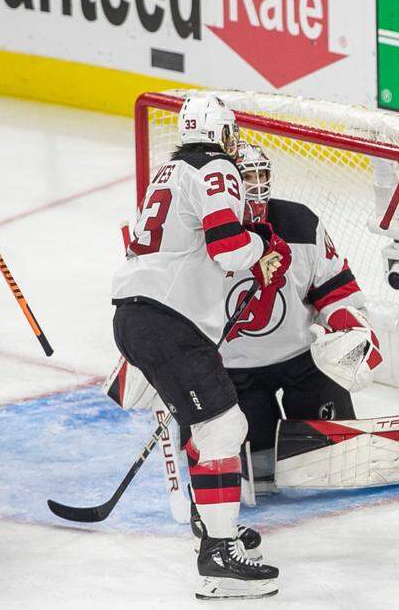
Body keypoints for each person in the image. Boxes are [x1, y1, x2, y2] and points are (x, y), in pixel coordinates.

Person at [111, 95, 291, 600]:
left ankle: (212, 522)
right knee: (225, 426)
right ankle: (218, 552)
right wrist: (262, 246)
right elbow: (229, 249)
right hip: (165, 321)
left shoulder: (167, 172)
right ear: (220, 133)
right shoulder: (216, 167)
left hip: (134, 316)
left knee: (207, 424)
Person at [211, 142, 383, 493]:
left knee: (333, 461)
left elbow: (337, 291)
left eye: (261, 175)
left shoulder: (300, 223)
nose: (256, 186)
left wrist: (350, 332)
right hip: (235, 372)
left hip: (303, 362)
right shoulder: (201, 237)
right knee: (259, 472)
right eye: (246, 177)